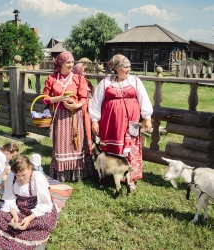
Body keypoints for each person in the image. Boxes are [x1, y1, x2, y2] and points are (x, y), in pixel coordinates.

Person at [89, 54, 153, 190]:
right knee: (111, 150)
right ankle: (111, 175)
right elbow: (96, 102)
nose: (128, 69)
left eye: (129, 66)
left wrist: (147, 117)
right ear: (117, 68)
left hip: (131, 123)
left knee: (130, 150)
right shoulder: (106, 82)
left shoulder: (135, 81)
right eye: (125, 67)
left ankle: (129, 179)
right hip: (111, 124)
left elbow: (144, 99)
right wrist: (95, 120)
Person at [0, 155, 57, 249]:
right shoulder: (11, 175)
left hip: (36, 206)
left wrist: (29, 218)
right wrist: (14, 215)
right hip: (18, 206)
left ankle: (23, 231)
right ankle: (20, 229)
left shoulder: (38, 177)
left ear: (30, 168)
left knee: (44, 222)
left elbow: (45, 203)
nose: (21, 178)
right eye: (18, 175)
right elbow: (9, 198)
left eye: (24, 174)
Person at [42, 51, 94, 182]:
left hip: (75, 115)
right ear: (61, 64)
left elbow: (84, 98)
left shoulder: (78, 79)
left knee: (76, 144)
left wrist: (76, 105)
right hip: (59, 116)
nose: (71, 65)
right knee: (61, 144)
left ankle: (77, 173)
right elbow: (44, 99)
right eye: (68, 62)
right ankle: (62, 174)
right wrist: (60, 98)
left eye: (72, 62)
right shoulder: (52, 79)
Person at [73, 62, 95, 154]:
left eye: (86, 71)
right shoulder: (73, 81)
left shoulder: (87, 82)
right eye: (83, 71)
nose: (85, 73)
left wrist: (90, 99)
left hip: (87, 109)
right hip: (78, 108)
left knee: (87, 130)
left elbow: (90, 94)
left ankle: (87, 156)